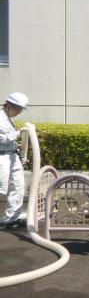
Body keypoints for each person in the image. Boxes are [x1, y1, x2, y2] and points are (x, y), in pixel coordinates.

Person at [0, 92, 29, 229]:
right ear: (9, 105)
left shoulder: (7, 118)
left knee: (17, 187)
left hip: (12, 156)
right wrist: (20, 132)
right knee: (2, 189)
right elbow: (3, 139)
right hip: (2, 157)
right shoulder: (0, 118)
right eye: (18, 109)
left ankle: (12, 219)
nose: (19, 112)